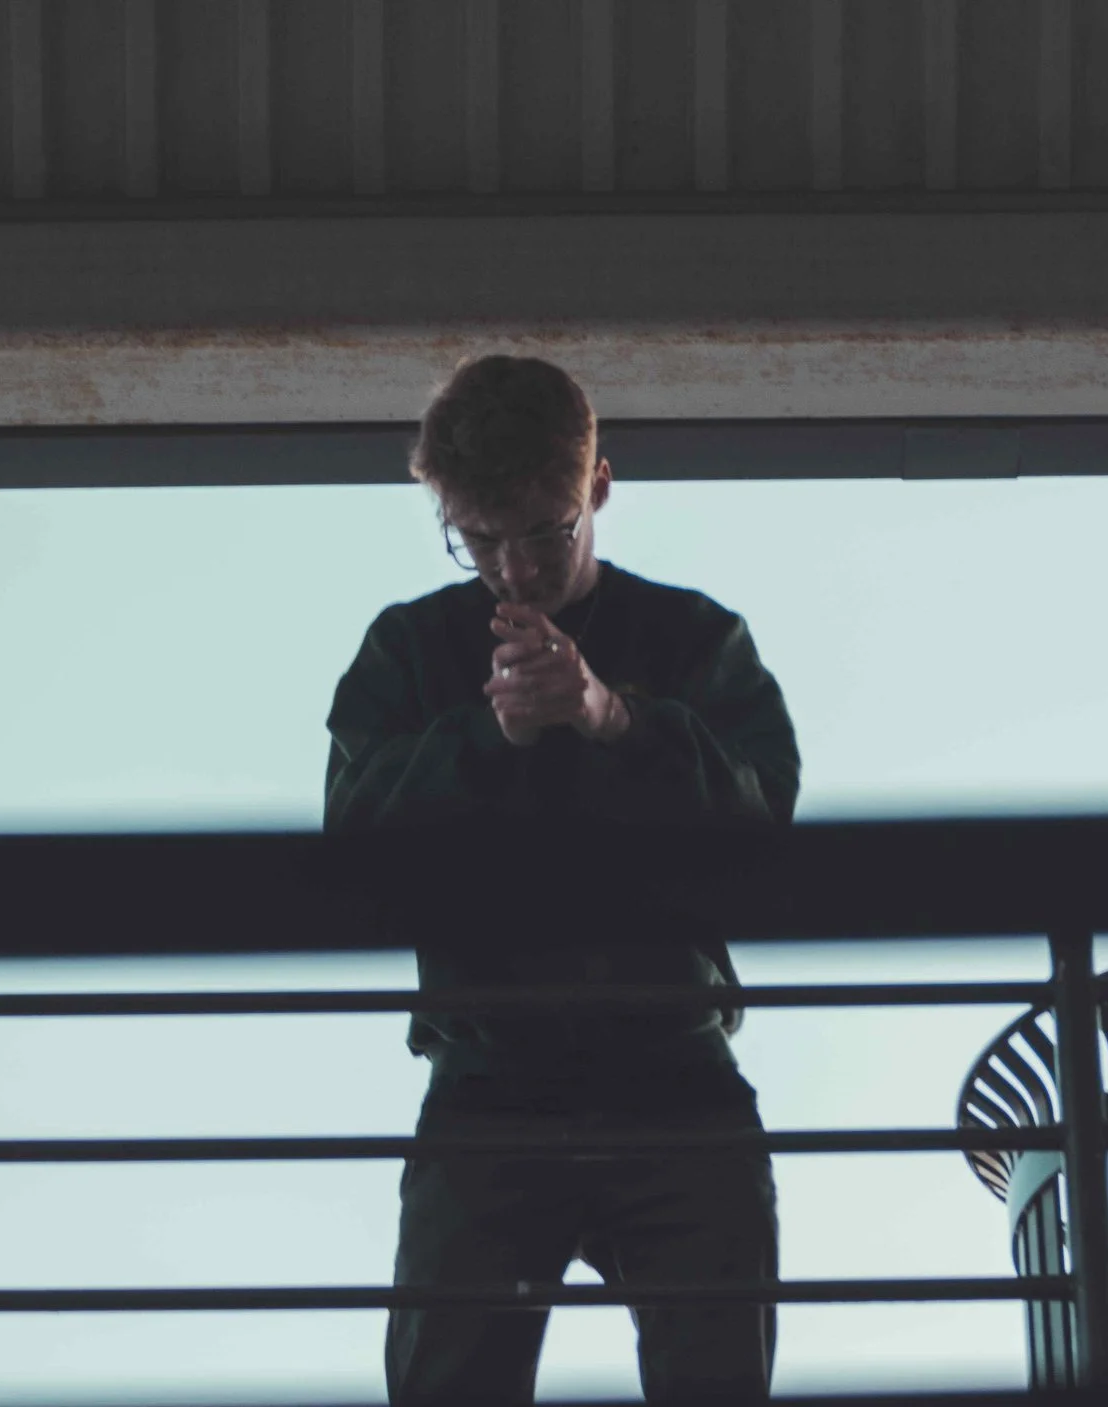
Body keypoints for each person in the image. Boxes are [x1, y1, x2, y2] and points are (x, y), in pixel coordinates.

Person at [324, 355, 799, 1404]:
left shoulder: (695, 640)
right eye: (478, 540)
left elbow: (765, 842)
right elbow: (350, 859)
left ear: (598, 489)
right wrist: (486, 738)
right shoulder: (407, 649)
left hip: (670, 1076)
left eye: (542, 531)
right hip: (491, 1083)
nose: (513, 570)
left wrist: (610, 718)